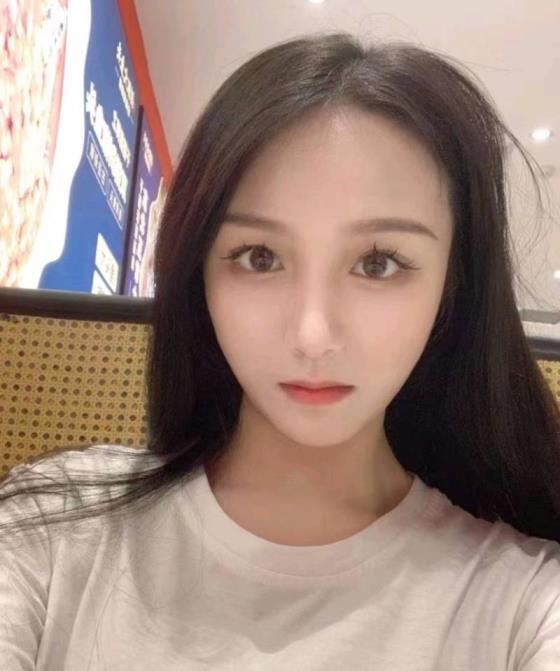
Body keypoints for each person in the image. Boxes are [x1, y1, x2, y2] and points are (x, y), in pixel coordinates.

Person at [1, 32, 559, 670]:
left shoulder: (522, 607)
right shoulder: (57, 528)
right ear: (197, 272)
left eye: (378, 263)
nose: (312, 335)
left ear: (451, 287)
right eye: (259, 257)